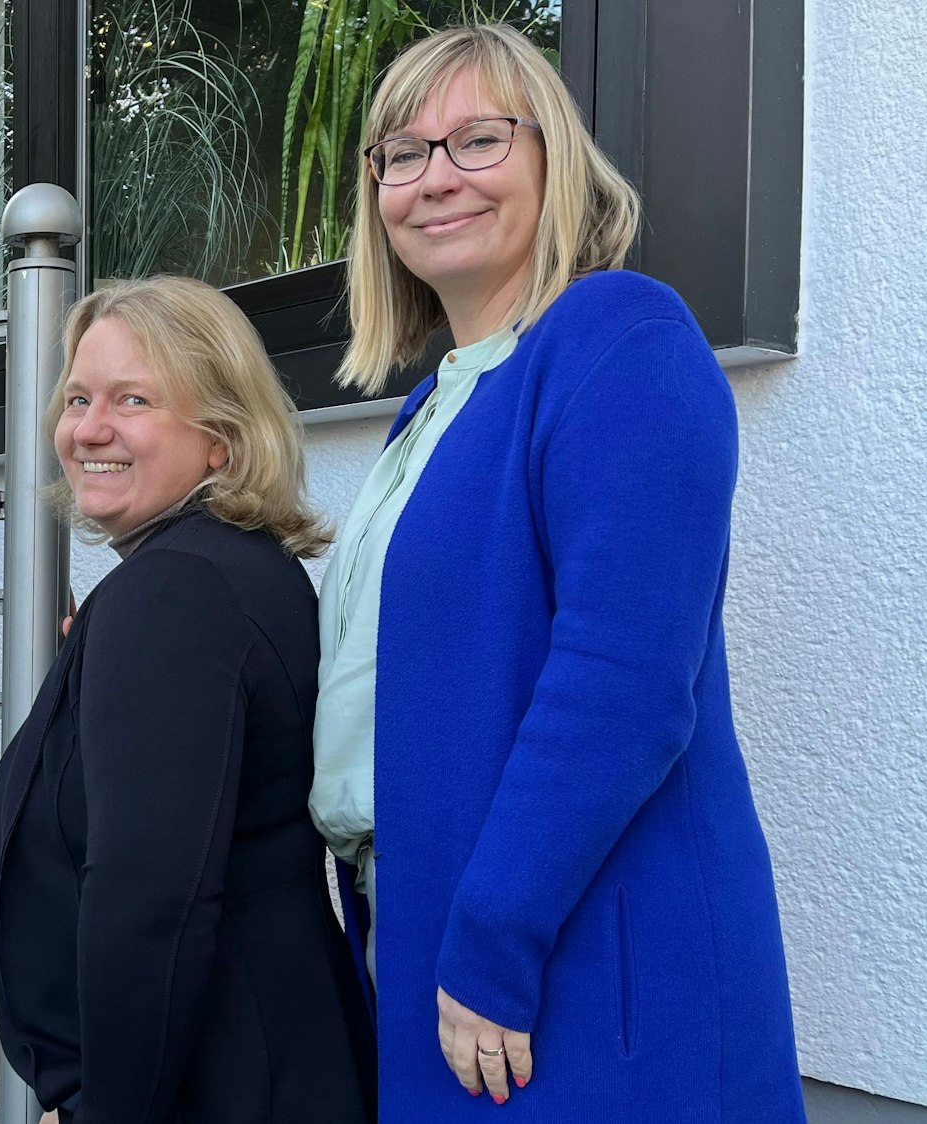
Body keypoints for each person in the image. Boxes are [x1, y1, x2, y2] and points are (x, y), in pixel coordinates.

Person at [311, 24, 805, 1119]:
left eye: (477, 139)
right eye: (401, 153)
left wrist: (491, 938)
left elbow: (622, 683)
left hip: (564, 967)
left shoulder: (616, 335)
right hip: (433, 935)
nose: (433, 175)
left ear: (555, 161)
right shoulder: (430, 404)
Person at [0, 276, 376, 1124]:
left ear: (222, 441)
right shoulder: (224, 571)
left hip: (212, 1085)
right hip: (267, 1061)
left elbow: (148, 902)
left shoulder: (176, 593)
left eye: (133, 400)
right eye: (77, 397)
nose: (88, 429)